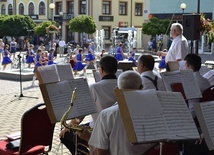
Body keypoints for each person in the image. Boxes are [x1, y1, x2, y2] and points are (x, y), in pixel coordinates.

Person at [60, 55, 118, 154]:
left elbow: (81, 115)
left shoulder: (95, 88)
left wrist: (67, 127)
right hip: (117, 130)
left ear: (101, 70)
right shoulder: (121, 85)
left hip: (99, 131)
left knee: (65, 136)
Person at [89, 71, 152, 155]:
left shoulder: (106, 115)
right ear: (141, 88)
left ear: (117, 90)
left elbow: (101, 151)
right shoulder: (154, 110)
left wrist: (87, 137)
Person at [183, 53, 211, 155]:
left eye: (185, 65)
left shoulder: (190, 82)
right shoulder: (206, 81)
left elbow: (192, 109)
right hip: (206, 118)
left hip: (195, 119)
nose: (184, 68)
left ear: (190, 66)